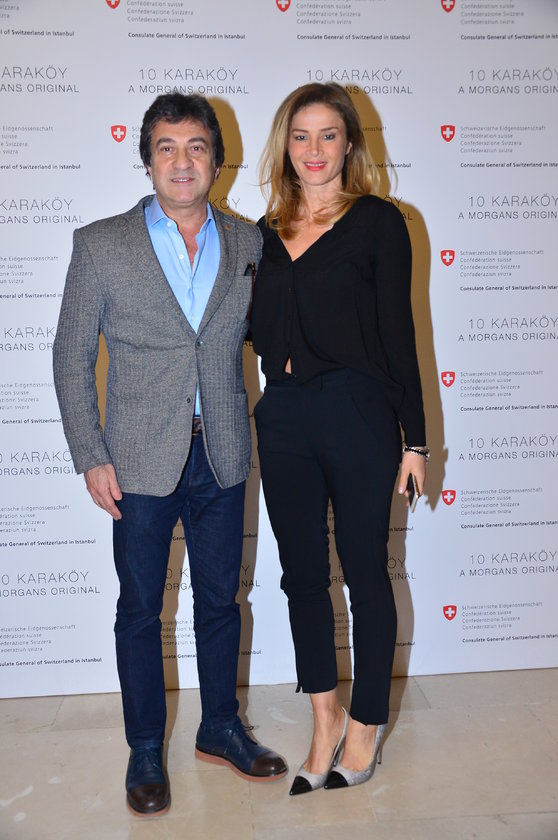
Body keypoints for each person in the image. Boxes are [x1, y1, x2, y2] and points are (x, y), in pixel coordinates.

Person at [53, 92, 287, 817]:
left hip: (222, 450)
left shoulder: (249, 243)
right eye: (167, 147)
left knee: (221, 600)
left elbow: (272, 332)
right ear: (148, 159)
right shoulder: (101, 244)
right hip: (135, 458)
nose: (182, 162)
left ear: (216, 160)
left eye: (196, 147)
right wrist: (90, 454)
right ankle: (146, 748)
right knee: (138, 610)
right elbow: (69, 357)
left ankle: (220, 727)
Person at [250, 83, 428, 795]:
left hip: (358, 414)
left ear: (350, 143)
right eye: (301, 135)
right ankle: (324, 719)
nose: (314, 149)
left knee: (364, 571)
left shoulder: (378, 222)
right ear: (285, 145)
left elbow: (400, 337)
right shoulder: (263, 232)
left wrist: (416, 441)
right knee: (301, 576)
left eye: (328, 134)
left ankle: (365, 724)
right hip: (283, 417)